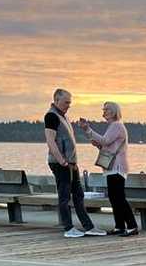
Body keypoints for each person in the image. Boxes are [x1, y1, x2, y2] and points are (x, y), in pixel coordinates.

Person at [44, 88, 105, 239]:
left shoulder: (63, 116)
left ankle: (88, 227)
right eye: (66, 102)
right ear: (56, 100)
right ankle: (68, 228)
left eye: (70, 103)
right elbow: (50, 140)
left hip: (72, 163)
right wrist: (61, 161)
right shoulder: (51, 116)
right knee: (64, 196)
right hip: (62, 163)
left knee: (79, 195)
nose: (68, 105)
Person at [77, 102, 138, 236]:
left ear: (113, 111)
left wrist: (88, 129)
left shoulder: (116, 125)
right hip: (113, 167)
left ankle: (132, 226)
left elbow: (105, 141)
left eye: (106, 110)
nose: (104, 112)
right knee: (114, 197)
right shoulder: (113, 126)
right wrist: (95, 140)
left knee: (119, 198)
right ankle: (119, 226)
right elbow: (107, 144)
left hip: (117, 166)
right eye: (103, 109)